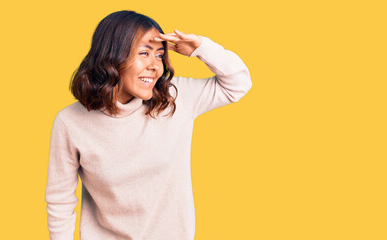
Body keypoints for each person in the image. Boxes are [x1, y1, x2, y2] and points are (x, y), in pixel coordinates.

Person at [45, 10, 252, 240]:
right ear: (112, 57)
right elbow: (60, 201)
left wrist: (200, 48)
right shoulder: (71, 122)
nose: (155, 66)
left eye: (159, 55)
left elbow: (238, 83)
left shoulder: (175, 98)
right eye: (144, 53)